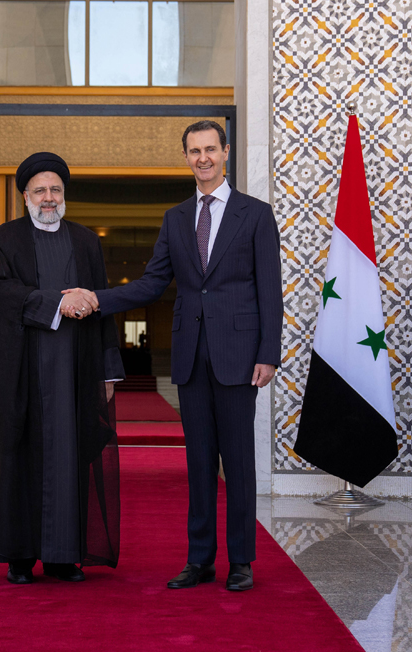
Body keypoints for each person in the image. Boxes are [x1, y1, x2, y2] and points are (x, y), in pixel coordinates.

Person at [64, 121, 281, 592]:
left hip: (239, 356)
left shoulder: (256, 214)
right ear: (185, 157)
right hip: (190, 357)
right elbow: (151, 284)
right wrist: (97, 298)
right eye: (194, 151)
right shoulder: (175, 217)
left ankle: (241, 561)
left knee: (238, 462)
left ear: (225, 152)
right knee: (198, 463)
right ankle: (199, 560)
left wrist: (269, 353)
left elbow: (270, 288)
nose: (203, 158)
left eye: (210, 149)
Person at [0, 152, 124, 585]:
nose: (48, 198)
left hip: (75, 371)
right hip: (21, 372)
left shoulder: (86, 241)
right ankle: (20, 556)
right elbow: (1, 294)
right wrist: (58, 303)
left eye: (55, 190)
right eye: (40, 191)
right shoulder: (3, 240)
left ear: (64, 194)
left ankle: (62, 557)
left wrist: (108, 371)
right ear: (25, 197)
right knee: (20, 457)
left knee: (70, 456)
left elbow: (103, 306)